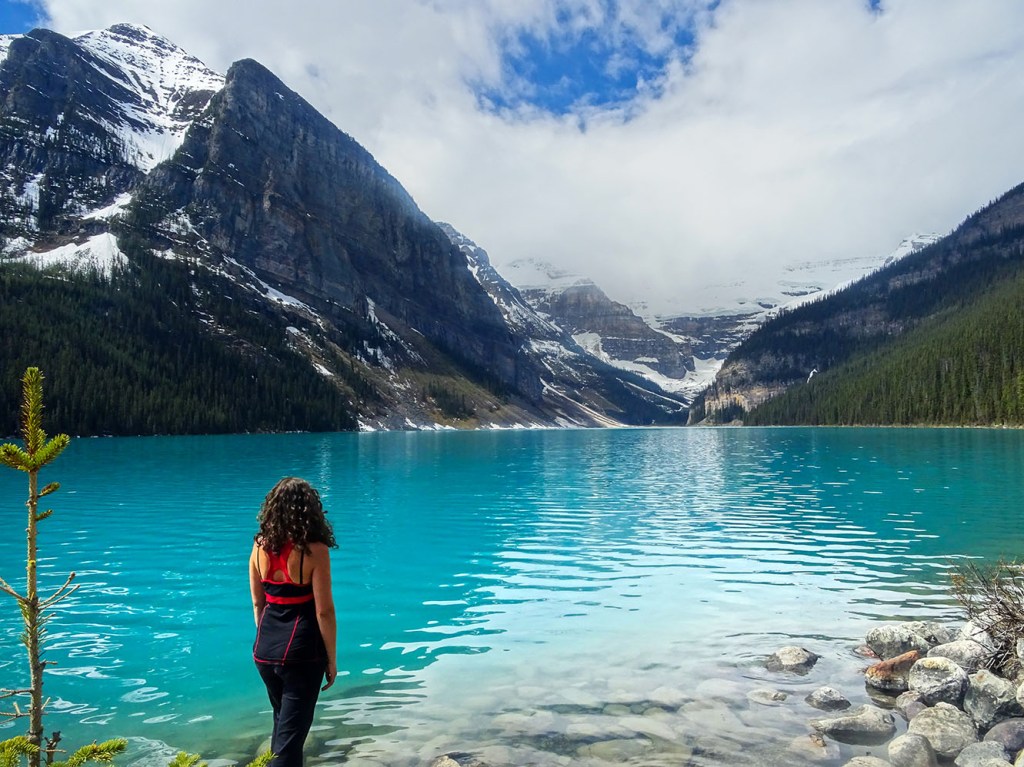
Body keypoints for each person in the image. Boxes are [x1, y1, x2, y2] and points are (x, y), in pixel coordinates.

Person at [250, 477, 338, 767]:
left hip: (265, 651)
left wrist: (267, 643)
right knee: (290, 741)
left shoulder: (258, 546)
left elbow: (258, 603)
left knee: (282, 728)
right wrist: (332, 659)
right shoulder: (315, 550)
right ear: (310, 509)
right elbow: (324, 611)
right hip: (301, 654)